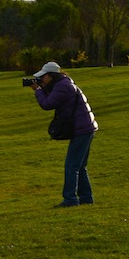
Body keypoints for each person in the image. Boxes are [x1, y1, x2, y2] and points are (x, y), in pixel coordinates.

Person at [29, 61, 98, 207]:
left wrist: (38, 91)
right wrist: (43, 88)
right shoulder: (63, 84)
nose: (42, 80)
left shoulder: (62, 87)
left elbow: (47, 104)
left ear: (51, 76)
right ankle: (86, 198)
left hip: (82, 129)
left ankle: (70, 199)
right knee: (79, 166)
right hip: (86, 127)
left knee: (71, 166)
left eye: (43, 77)